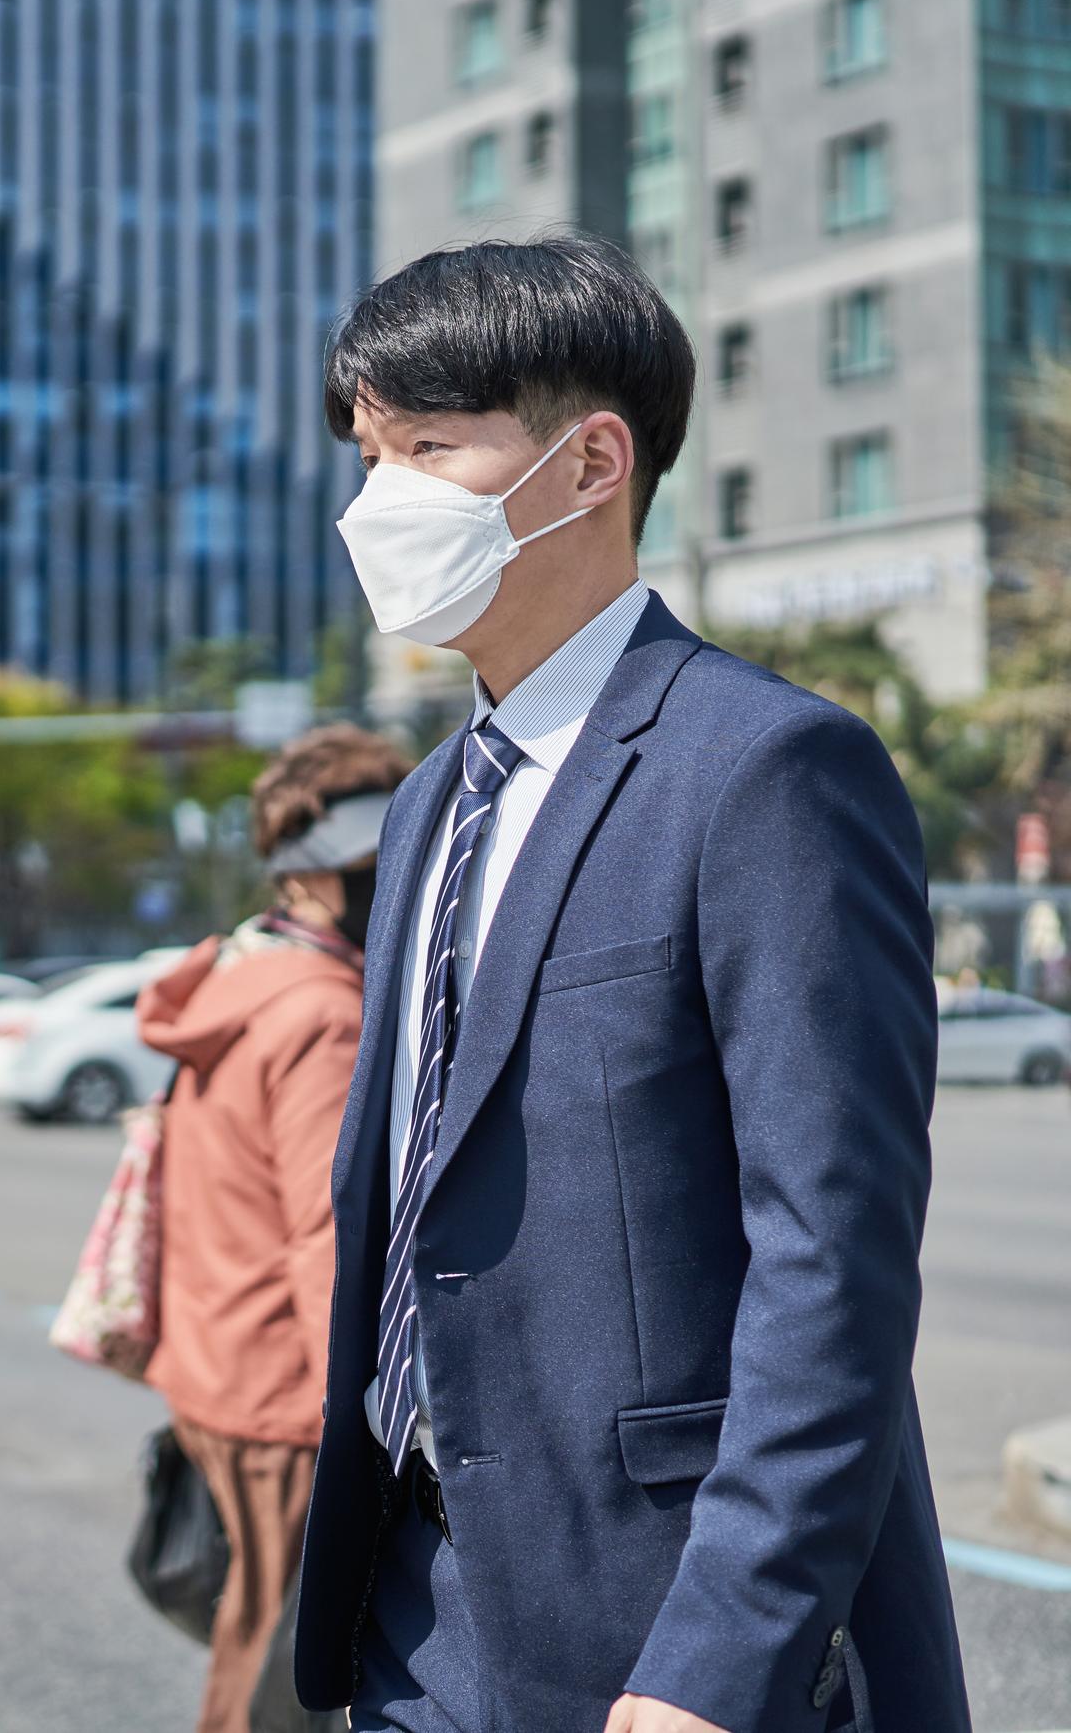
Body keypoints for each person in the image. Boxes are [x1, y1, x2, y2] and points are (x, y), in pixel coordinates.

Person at [291, 235, 970, 1733]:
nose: (375, 503)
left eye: (427, 448)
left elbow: (831, 1257)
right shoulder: (425, 806)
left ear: (592, 464)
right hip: (417, 1617)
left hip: (662, 1629)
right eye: (365, 452)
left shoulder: (767, 770)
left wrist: (716, 1662)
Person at [140, 724, 409, 1733]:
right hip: (287, 1394)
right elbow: (325, 1233)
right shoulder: (323, 1011)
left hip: (214, 1360)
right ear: (313, 871)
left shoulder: (238, 980)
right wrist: (363, 1412)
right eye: (375, 865)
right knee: (284, 1673)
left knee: (253, 1633)